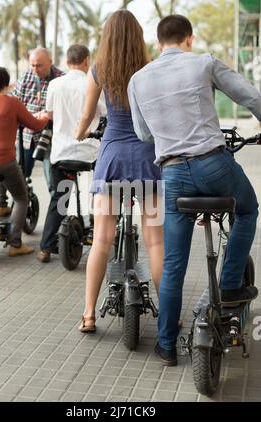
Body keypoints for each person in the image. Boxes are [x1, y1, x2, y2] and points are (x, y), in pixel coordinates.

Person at [128, 14, 260, 366]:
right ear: (189, 38)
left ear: (159, 43)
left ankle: (167, 346)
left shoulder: (138, 79)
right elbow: (250, 97)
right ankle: (230, 284)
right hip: (214, 165)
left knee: (173, 264)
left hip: (173, 176)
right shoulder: (204, 63)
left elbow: (144, 135)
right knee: (247, 209)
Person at [75, 10, 164, 333]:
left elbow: (86, 115)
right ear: (139, 37)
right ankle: (167, 314)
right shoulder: (150, 69)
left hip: (111, 159)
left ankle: (88, 314)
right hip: (147, 158)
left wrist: (79, 133)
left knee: (101, 239)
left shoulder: (99, 70)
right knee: (155, 242)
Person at [0, 66, 49, 257]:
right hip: (2, 159)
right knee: (22, 198)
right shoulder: (12, 102)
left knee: (1, 173)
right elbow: (35, 125)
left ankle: (2, 206)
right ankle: (15, 243)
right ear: (6, 83)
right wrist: (45, 117)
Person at [37, 44, 105, 263]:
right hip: (89, 153)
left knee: (60, 198)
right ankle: (99, 237)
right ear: (87, 60)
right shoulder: (93, 83)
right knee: (99, 195)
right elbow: (105, 113)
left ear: (67, 62)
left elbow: (49, 114)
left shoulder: (55, 84)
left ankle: (46, 248)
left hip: (61, 153)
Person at [12, 47, 65, 197]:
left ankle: (56, 218)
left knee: (53, 184)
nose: (35, 69)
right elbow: (14, 103)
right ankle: (23, 211)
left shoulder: (61, 79)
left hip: (51, 137)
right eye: (32, 65)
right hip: (27, 136)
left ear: (50, 62)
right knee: (20, 179)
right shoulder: (25, 77)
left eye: (39, 65)